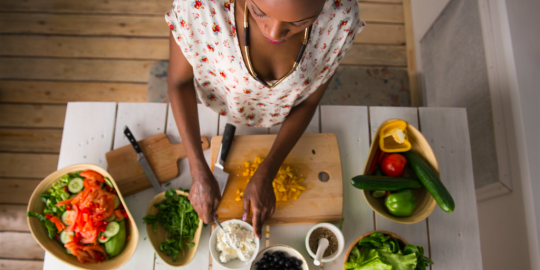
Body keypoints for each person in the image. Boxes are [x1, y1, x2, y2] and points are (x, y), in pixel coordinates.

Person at [165, 0, 364, 238]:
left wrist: (268, 171)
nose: (273, 32)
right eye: (259, 12)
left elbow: (310, 101)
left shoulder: (341, 16)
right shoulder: (198, 7)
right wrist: (198, 171)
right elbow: (179, 82)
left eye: (298, 22)